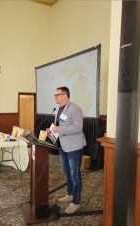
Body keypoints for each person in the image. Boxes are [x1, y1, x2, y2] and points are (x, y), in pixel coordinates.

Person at [50, 86, 86, 214]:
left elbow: (78, 128)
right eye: (55, 94)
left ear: (65, 95)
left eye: (57, 94)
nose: (55, 96)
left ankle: (76, 202)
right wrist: (53, 130)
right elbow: (59, 126)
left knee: (74, 175)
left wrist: (60, 129)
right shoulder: (59, 109)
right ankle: (70, 194)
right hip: (62, 146)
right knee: (66, 172)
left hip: (74, 147)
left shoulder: (75, 108)